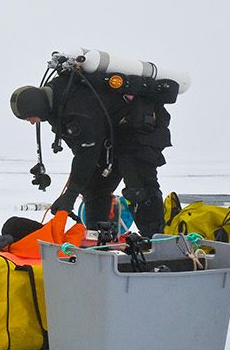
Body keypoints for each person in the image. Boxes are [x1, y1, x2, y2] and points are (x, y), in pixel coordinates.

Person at [10, 65, 172, 236]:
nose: (31, 122)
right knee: (94, 187)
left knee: (138, 187)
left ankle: (155, 239)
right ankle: (98, 237)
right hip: (112, 135)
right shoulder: (57, 105)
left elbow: (87, 153)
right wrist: (74, 190)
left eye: (29, 117)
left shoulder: (74, 107)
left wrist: (70, 194)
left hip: (141, 127)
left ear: (36, 107)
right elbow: (84, 151)